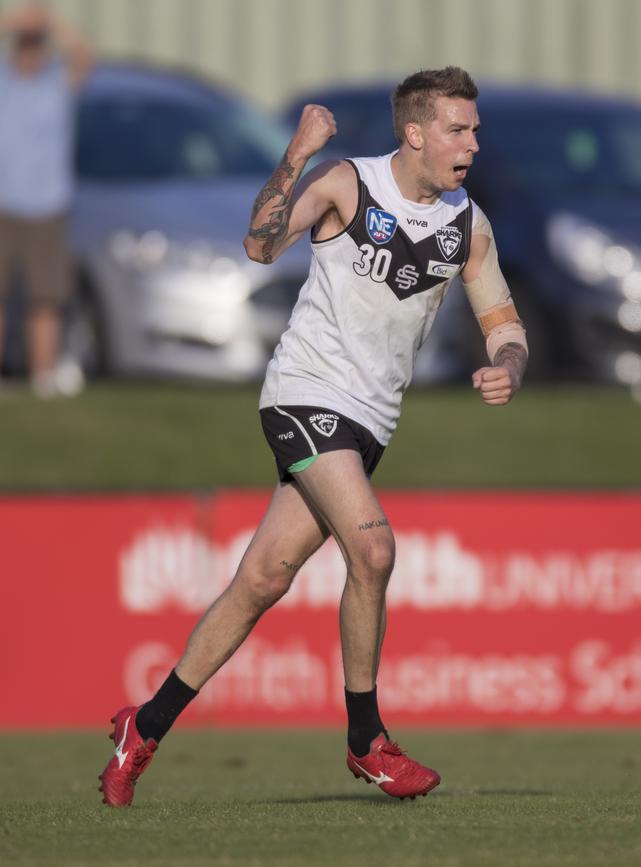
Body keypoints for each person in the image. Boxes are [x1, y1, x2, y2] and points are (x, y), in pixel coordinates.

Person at [99, 66, 528, 807]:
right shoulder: (345, 184)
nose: (473, 143)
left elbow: (503, 321)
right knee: (374, 548)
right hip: (303, 395)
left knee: (262, 580)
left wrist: (509, 365)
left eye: (476, 129)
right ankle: (367, 741)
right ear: (415, 133)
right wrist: (295, 155)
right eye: (459, 129)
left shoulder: (468, 224)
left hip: (367, 422)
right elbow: (261, 246)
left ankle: (145, 723)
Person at [0, 3, 93, 397]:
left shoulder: (57, 81)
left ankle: (42, 378)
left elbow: (86, 56)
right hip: (3, 205)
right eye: (27, 43)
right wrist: (17, 21)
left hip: (49, 208)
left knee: (46, 299)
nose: (32, 51)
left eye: (38, 44)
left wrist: (50, 25)